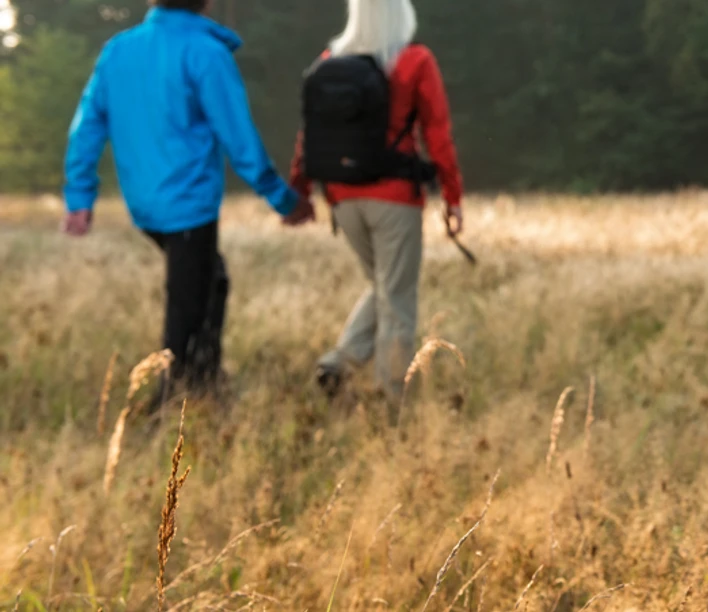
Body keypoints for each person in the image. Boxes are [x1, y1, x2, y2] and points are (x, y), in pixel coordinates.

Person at [63, 0, 315, 402]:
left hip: (145, 205)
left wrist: (80, 195)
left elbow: (88, 124)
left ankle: (206, 382)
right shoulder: (205, 53)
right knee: (187, 305)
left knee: (212, 280)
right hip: (187, 205)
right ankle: (168, 406)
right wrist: (284, 199)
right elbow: (238, 137)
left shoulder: (119, 49)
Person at [289, 0, 465, 400]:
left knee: (385, 283)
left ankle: (340, 362)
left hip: (341, 199)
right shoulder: (414, 60)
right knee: (397, 295)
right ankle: (391, 400)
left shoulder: (329, 60)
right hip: (395, 199)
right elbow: (438, 133)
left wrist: (299, 188)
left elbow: (308, 135)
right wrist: (452, 197)